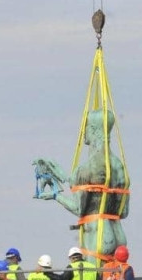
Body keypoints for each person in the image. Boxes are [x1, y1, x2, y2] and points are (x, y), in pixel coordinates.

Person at [33, 108, 129, 264]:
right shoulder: (119, 166)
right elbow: (123, 212)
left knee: (91, 278)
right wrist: (65, 177)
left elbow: (78, 209)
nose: (83, 134)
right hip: (119, 235)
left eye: (85, 128)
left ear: (93, 130)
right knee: (114, 278)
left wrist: (56, 196)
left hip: (97, 235)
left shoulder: (86, 168)